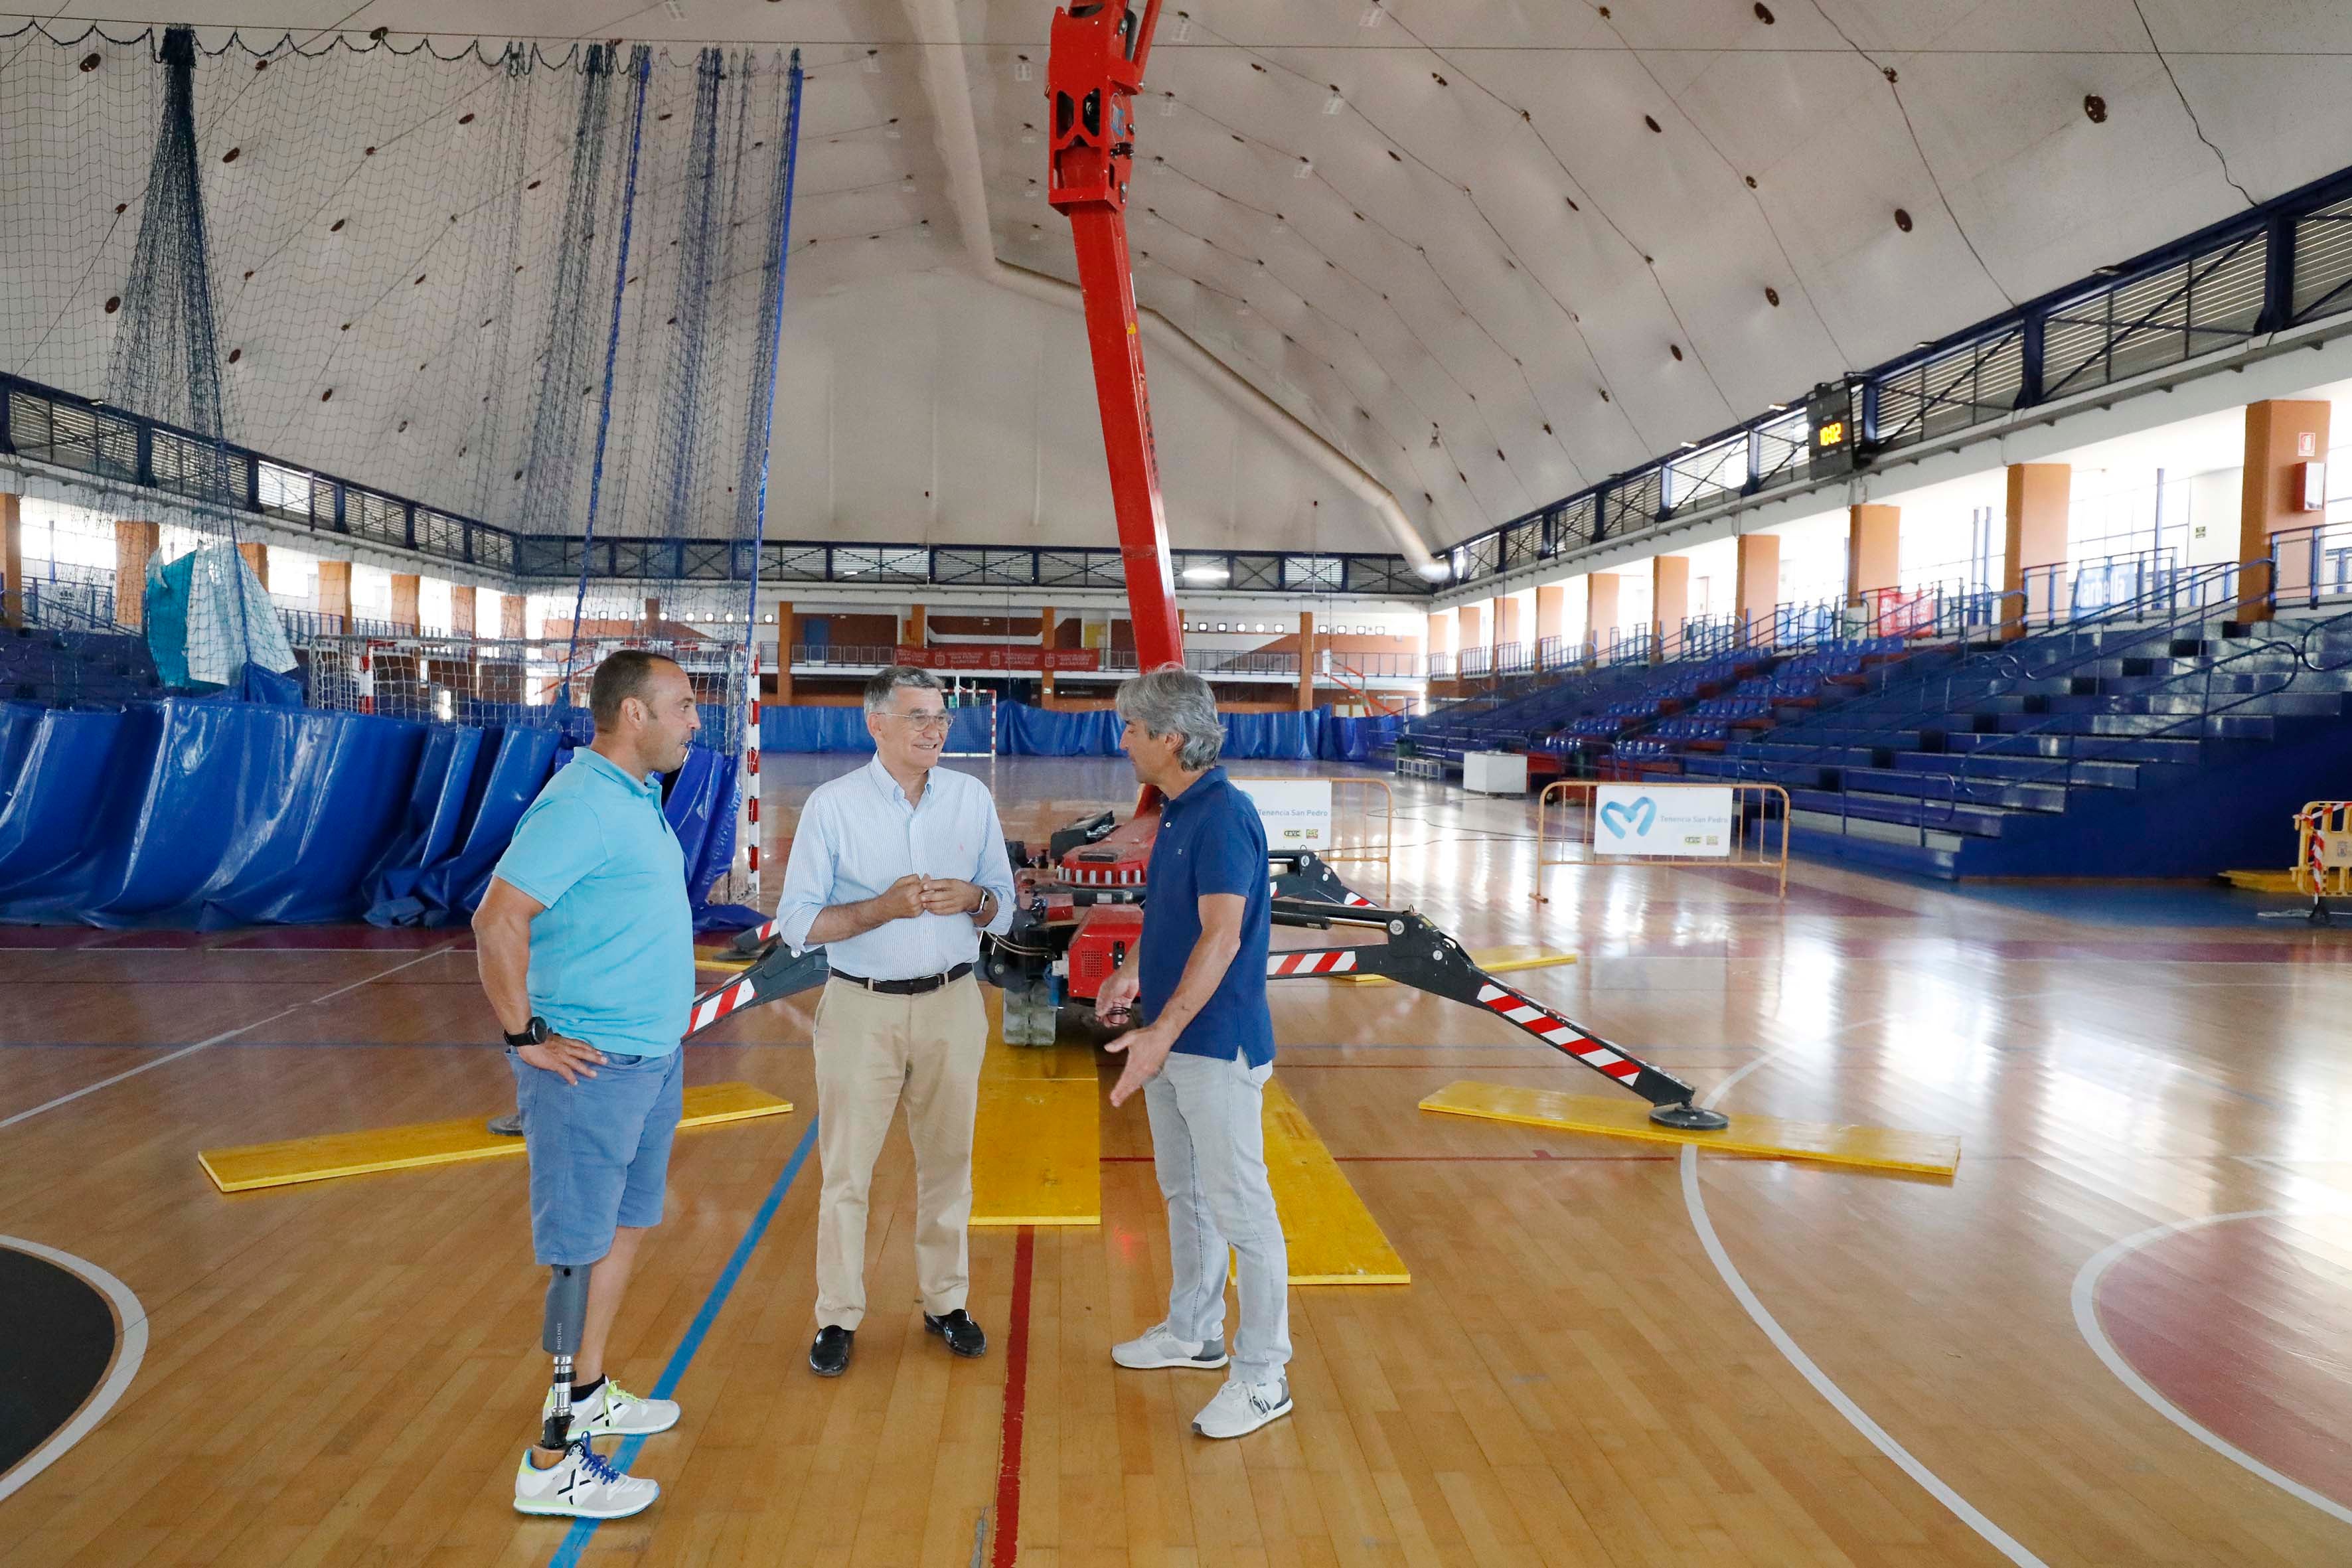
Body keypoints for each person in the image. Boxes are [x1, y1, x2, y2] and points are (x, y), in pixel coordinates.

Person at [475, 649, 702, 1520]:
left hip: (651, 1056)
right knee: (577, 1252)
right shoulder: (579, 802)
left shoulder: (636, 799)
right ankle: (551, 1460)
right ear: (633, 715)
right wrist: (523, 1033)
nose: (693, 720)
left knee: (624, 1229)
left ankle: (593, 1386)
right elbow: (497, 917)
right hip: (590, 1069)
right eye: (681, 706)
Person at [773, 665, 1017, 1377]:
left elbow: (1005, 904)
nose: (935, 729)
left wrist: (975, 898)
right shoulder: (832, 806)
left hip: (952, 1002)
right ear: (875, 723)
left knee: (949, 1166)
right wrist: (878, 909)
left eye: (941, 717)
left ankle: (946, 1301)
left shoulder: (971, 800)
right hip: (861, 1007)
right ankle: (837, 1316)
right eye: (917, 716)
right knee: (848, 1171)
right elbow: (796, 924)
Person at [1095, 667, 1293, 1440]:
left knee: (1245, 1212)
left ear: (1170, 737)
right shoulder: (1177, 812)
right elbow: (1172, 917)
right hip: (1178, 1041)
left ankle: (1264, 1372)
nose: (1124, 741)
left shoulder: (1223, 817)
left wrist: (1161, 1031)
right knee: (1187, 1193)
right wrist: (1132, 969)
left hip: (1216, 1044)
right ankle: (1194, 1331)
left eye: (1133, 729)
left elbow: (1222, 935)